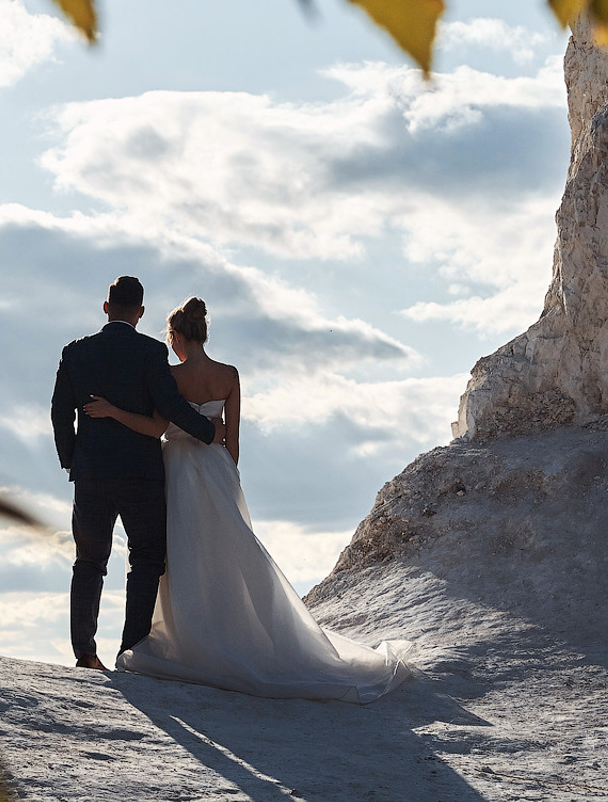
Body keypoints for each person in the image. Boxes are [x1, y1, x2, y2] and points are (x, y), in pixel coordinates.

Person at [79, 296, 416, 702]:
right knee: (224, 555)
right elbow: (232, 440)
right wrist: (224, 477)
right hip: (218, 470)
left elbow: (157, 429)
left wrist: (114, 412)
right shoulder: (229, 374)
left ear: (176, 336)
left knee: (181, 556)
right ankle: (231, 633)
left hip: (177, 470)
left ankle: (186, 637)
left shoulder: (169, 376)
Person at [50, 277, 223, 670]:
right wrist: (209, 432)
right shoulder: (150, 351)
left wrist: (72, 460)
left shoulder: (75, 352)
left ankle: (85, 653)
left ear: (106, 307)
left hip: (91, 473)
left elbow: (60, 414)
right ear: (141, 313)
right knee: (145, 560)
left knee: (89, 561)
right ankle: (132, 651)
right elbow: (170, 404)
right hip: (141, 475)